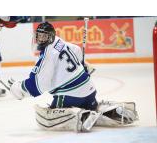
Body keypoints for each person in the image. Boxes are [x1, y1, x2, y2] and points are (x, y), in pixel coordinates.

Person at [9, 22, 138, 132]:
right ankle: (102, 111)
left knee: (45, 120)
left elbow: (39, 85)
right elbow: (76, 49)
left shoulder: (48, 54)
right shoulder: (59, 41)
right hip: (90, 91)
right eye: (39, 36)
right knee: (92, 105)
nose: (41, 39)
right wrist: (83, 66)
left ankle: (79, 115)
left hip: (69, 97)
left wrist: (19, 88)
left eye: (44, 36)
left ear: (51, 36)